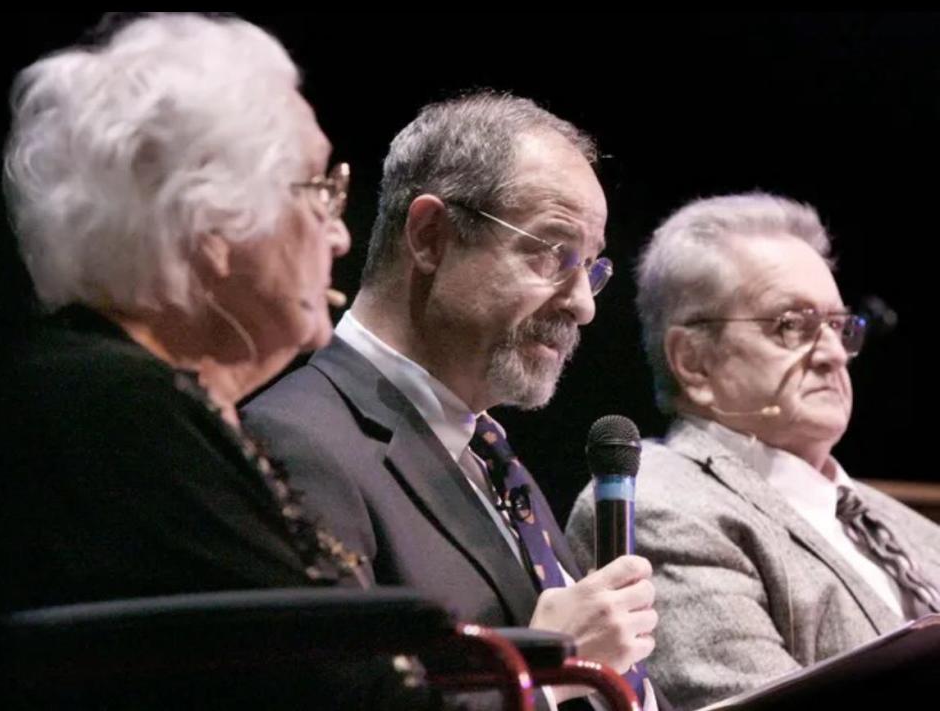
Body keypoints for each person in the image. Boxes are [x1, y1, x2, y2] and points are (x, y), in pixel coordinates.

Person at [0, 12, 444, 710]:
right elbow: (332, 690)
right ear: (211, 221)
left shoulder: (108, 395)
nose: (342, 237)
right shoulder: (119, 416)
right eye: (321, 188)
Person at [242, 91, 662, 709]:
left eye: (592, 268)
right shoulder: (295, 445)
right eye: (554, 254)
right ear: (431, 236)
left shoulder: (485, 452)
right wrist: (546, 665)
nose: (583, 303)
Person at [567, 192, 940, 709]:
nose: (834, 354)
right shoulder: (664, 508)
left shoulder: (917, 531)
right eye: (792, 325)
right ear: (693, 361)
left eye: (836, 326)